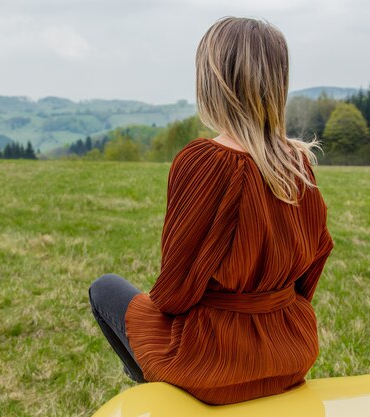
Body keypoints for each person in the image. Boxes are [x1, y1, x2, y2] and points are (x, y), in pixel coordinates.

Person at [89, 16, 334, 405]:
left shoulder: (205, 161)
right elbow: (316, 258)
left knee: (104, 289)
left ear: (213, 82)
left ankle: (161, 398)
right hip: (290, 354)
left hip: (209, 364)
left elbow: (175, 291)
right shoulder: (299, 163)